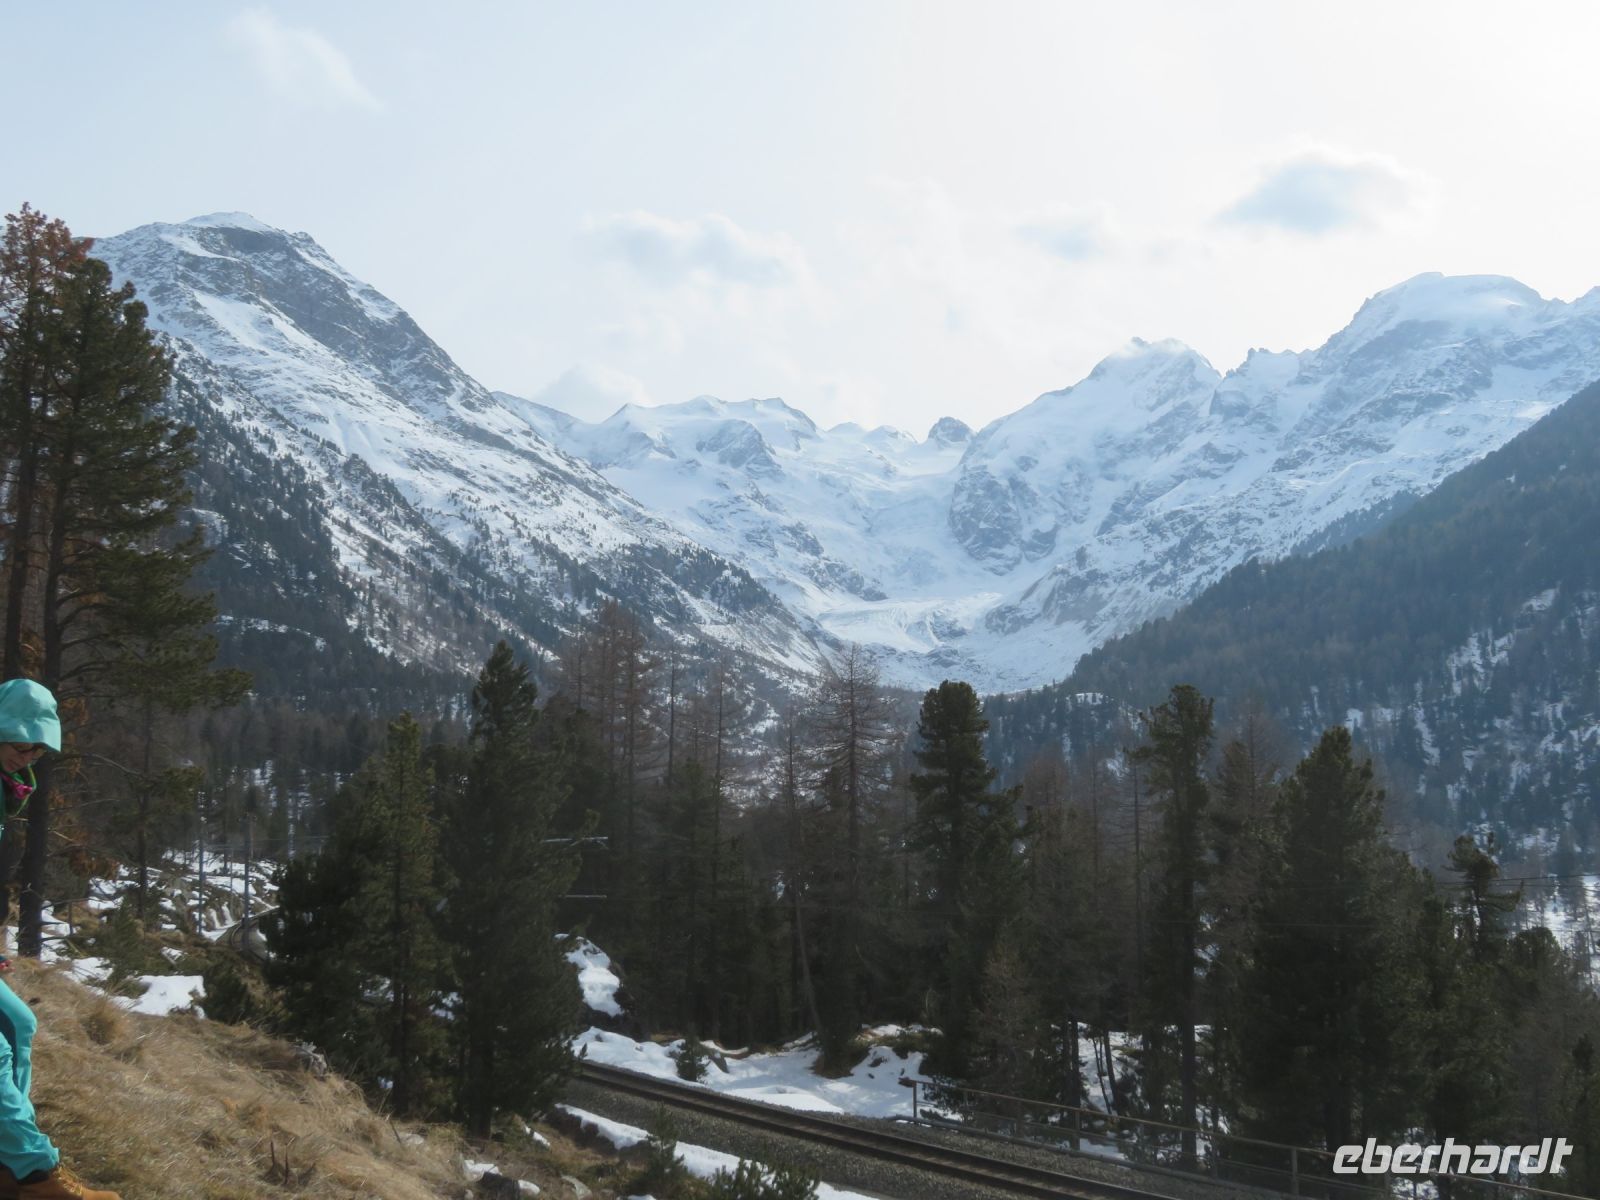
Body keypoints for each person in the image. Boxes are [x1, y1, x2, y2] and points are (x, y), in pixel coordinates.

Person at [0, 680, 119, 1200]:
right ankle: (36, 1173)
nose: (28, 755)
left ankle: (7, 1164)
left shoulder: (5, 788)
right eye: (20, 742)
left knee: (18, 1025)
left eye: (37, 748)